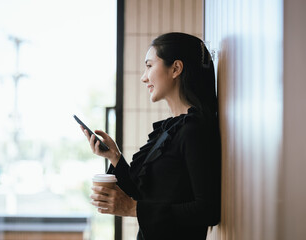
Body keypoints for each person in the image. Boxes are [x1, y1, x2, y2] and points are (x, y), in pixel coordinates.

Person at [82, 32, 221, 240]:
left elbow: (208, 209)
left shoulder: (195, 129)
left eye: (149, 66)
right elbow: (144, 195)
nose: (143, 77)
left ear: (175, 69)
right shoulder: (170, 128)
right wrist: (115, 157)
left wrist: (133, 209)